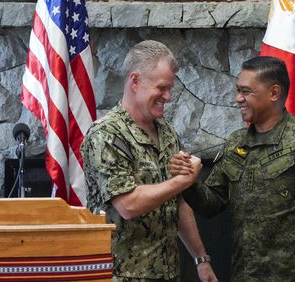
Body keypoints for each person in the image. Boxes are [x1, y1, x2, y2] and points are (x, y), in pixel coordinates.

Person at [170, 56, 295, 281]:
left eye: (246, 91)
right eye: (237, 90)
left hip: (293, 275)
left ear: (274, 93)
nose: (238, 98)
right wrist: (189, 180)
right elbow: (211, 204)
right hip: (244, 273)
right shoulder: (236, 142)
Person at [81, 40, 218, 282]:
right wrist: (184, 180)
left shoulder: (165, 131)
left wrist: (201, 259)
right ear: (135, 81)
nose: (168, 96)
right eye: (161, 88)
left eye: (170, 88)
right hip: (122, 275)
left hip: (168, 273)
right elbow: (128, 205)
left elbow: (179, 203)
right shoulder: (106, 135)